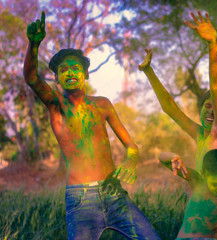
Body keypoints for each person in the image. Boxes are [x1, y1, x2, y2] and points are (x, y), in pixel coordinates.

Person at [24, 11, 160, 240]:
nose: (70, 72)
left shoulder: (103, 104)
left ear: (86, 73)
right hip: (81, 197)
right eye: (63, 70)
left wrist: (131, 160)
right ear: (57, 79)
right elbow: (31, 78)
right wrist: (33, 46)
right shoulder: (56, 105)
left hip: (115, 193)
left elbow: (132, 145)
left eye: (75, 68)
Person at [139, 11, 217, 239]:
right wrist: (148, 71)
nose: (210, 110)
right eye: (206, 105)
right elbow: (170, 108)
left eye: (216, 108)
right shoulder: (200, 135)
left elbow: (216, 87)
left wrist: (214, 44)